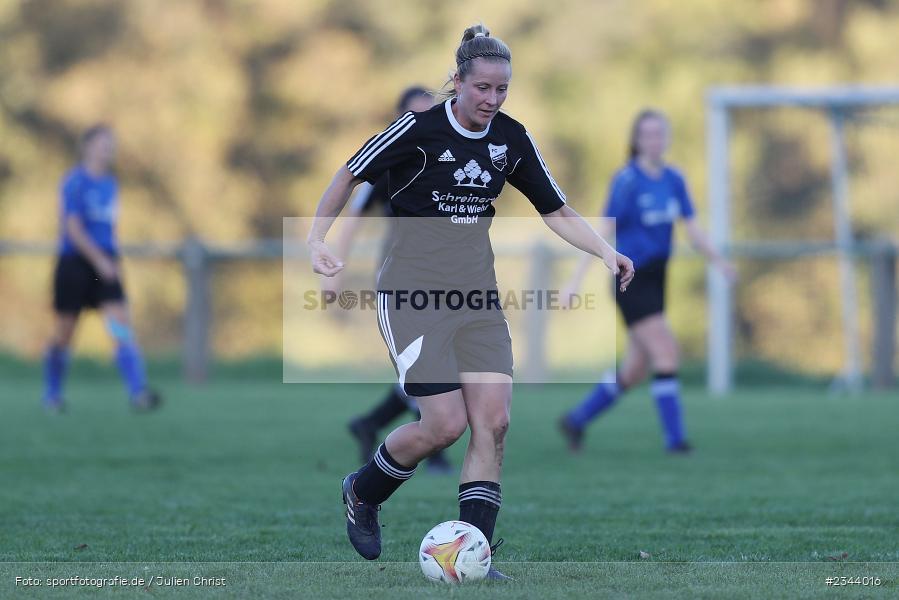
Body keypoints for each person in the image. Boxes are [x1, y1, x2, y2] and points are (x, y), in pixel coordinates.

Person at [307, 25, 633, 580]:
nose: (492, 99)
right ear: (457, 82)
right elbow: (348, 173)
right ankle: (362, 492)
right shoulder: (418, 129)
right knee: (442, 427)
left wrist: (605, 250)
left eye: (502, 89)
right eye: (483, 87)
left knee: (495, 422)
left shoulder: (511, 138)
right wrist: (316, 237)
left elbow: (555, 210)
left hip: (477, 298)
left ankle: (473, 554)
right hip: (411, 295)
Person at [558, 109, 735, 453]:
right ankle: (676, 441)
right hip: (631, 280)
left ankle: (576, 420)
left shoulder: (674, 179)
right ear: (637, 140)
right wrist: (575, 280)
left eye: (660, 133)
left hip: (659, 279)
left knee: (636, 369)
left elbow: (693, 229)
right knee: (667, 353)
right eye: (648, 134)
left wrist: (721, 263)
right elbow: (603, 229)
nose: (655, 140)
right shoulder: (627, 181)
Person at [335, 86, 452, 474]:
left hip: (445, 272)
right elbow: (352, 215)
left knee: (439, 360)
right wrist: (334, 268)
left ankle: (370, 423)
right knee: (424, 361)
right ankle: (433, 447)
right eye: (413, 114)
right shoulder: (388, 159)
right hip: (401, 270)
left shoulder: (446, 154)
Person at [42, 124, 160, 413]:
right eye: (102, 144)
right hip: (78, 264)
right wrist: (99, 261)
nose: (108, 150)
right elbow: (73, 228)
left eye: (111, 144)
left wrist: (109, 260)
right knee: (64, 332)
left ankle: (138, 392)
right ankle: (52, 395)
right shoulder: (74, 182)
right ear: (87, 147)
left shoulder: (110, 184)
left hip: (105, 263)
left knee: (119, 324)